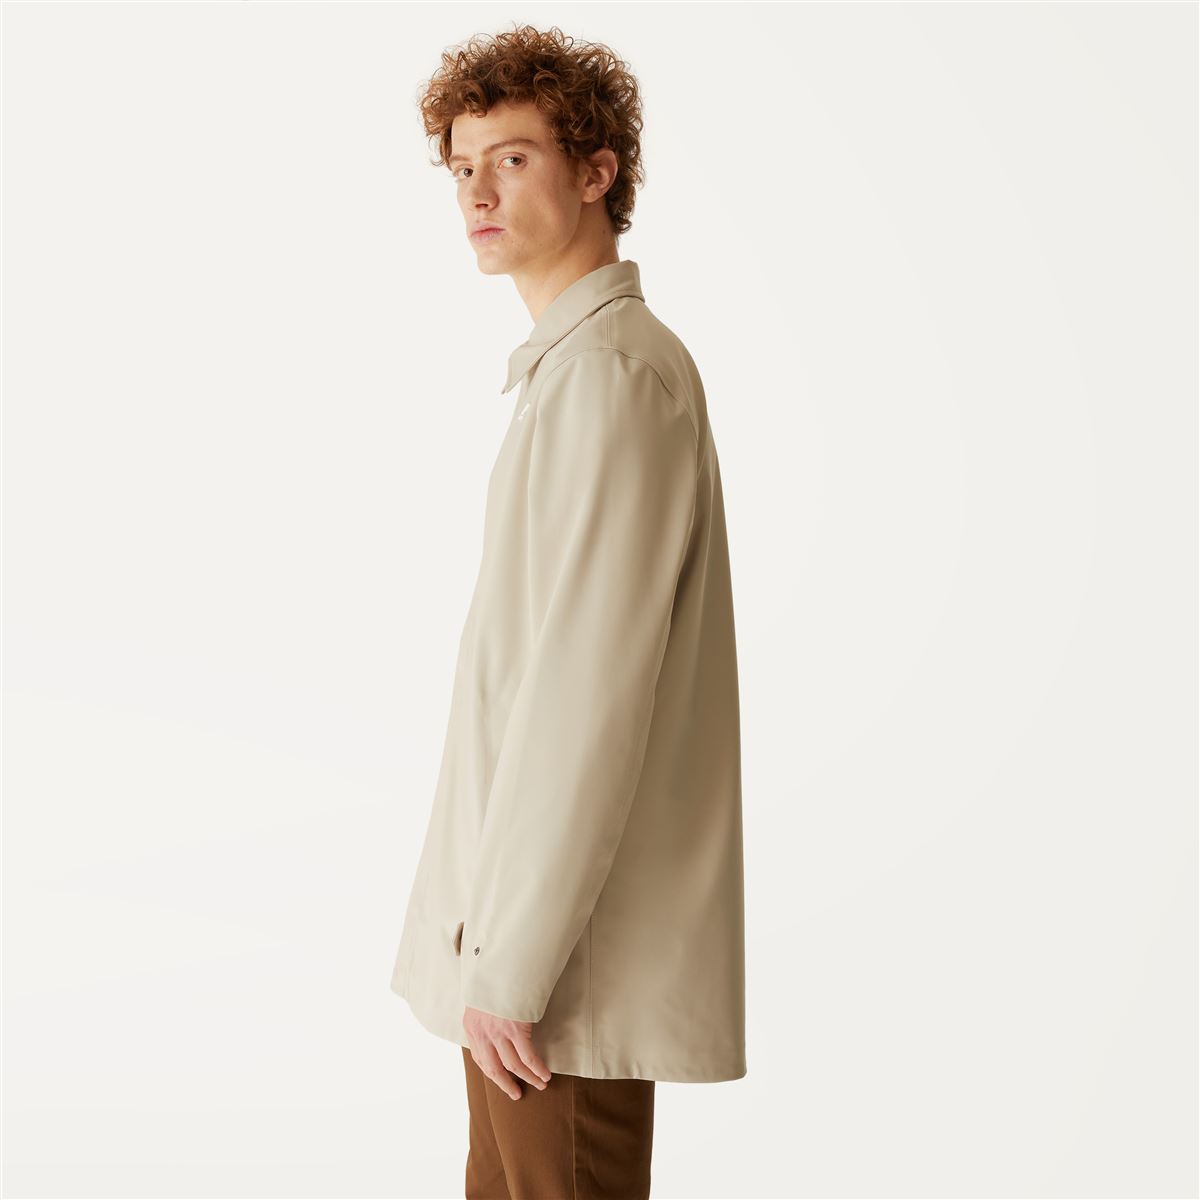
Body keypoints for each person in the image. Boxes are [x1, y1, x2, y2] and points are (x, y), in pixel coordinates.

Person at [389, 23, 746, 1198]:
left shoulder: (609, 378)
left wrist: (512, 964)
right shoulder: (577, 371)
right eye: (462, 166)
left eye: (513, 159)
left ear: (598, 171)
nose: (477, 194)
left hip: (554, 984)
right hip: (525, 965)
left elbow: (586, 700)